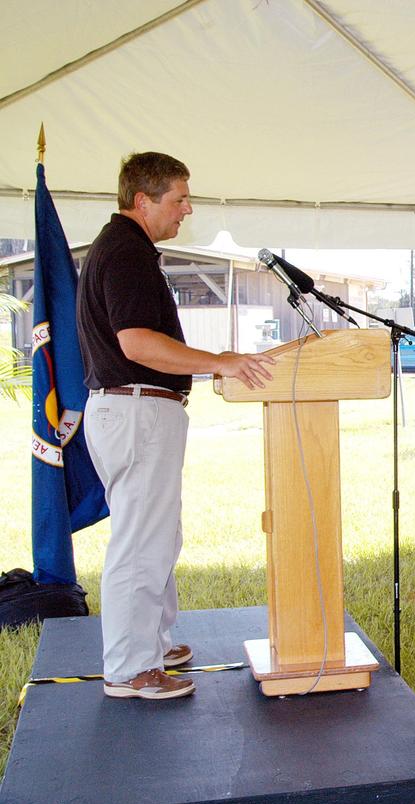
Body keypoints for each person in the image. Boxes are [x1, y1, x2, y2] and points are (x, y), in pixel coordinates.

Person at [78, 152, 275, 700]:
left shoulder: (127, 249)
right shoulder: (125, 253)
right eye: (179, 199)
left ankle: (152, 642)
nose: (188, 209)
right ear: (142, 201)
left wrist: (211, 362)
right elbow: (137, 343)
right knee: (141, 542)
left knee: (155, 535)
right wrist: (219, 361)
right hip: (136, 409)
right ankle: (130, 667)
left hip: (137, 409)